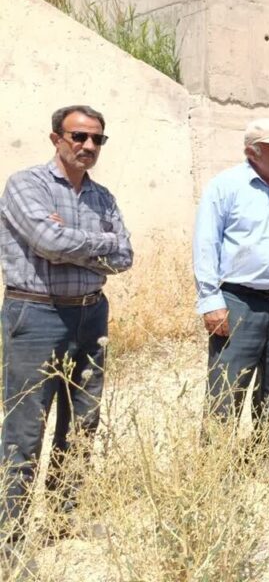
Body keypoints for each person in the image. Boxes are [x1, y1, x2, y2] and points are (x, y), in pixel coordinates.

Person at [0, 105, 133, 565]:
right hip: (36, 314)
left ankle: (63, 514)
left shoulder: (103, 197)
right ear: (56, 138)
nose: (88, 146)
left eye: (97, 139)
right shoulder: (26, 185)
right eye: (79, 136)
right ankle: (10, 538)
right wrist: (99, 243)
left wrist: (74, 241)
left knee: (82, 421)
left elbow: (125, 255)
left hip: (91, 315)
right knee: (25, 428)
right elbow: (47, 243)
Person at [193, 118, 269, 437]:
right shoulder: (225, 186)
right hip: (238, 303)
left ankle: (262, 453)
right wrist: (210, 302)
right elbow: (206, 244)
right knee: (226, 390)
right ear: (251, 152)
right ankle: (215, 461)